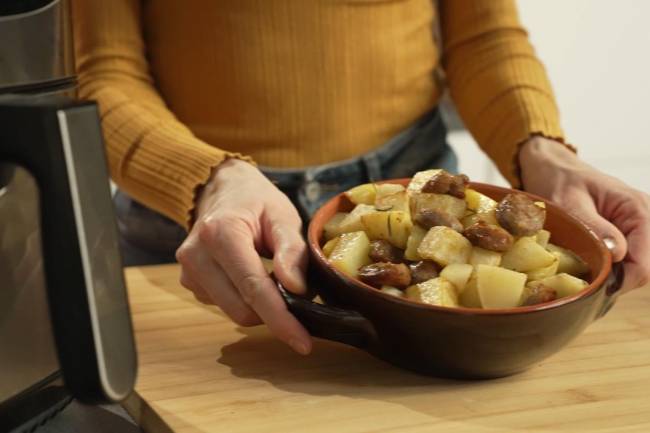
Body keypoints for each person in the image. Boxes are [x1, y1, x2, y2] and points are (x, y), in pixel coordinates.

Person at [73, 0, 650, 356]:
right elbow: (100, 71)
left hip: (414, 185)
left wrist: (542, 148)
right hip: (197, 221)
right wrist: (208, 180)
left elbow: (483, 36)